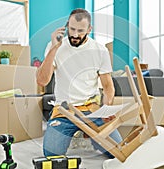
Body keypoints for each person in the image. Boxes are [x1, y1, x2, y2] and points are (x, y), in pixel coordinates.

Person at [36, 8, 122, 158]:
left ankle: (88, 134)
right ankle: (78, 133)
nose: (75, 35)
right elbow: (42, 80)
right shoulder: (55, 46)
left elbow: (108, 87)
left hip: (91, 108)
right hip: (64, 110)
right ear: (67, 25)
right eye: (72, 29)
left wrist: (107, 107)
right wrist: (54, 48)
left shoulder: (100, 50)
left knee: (118, 151)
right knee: (51, 155)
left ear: (89, 29)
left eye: (80, 31)